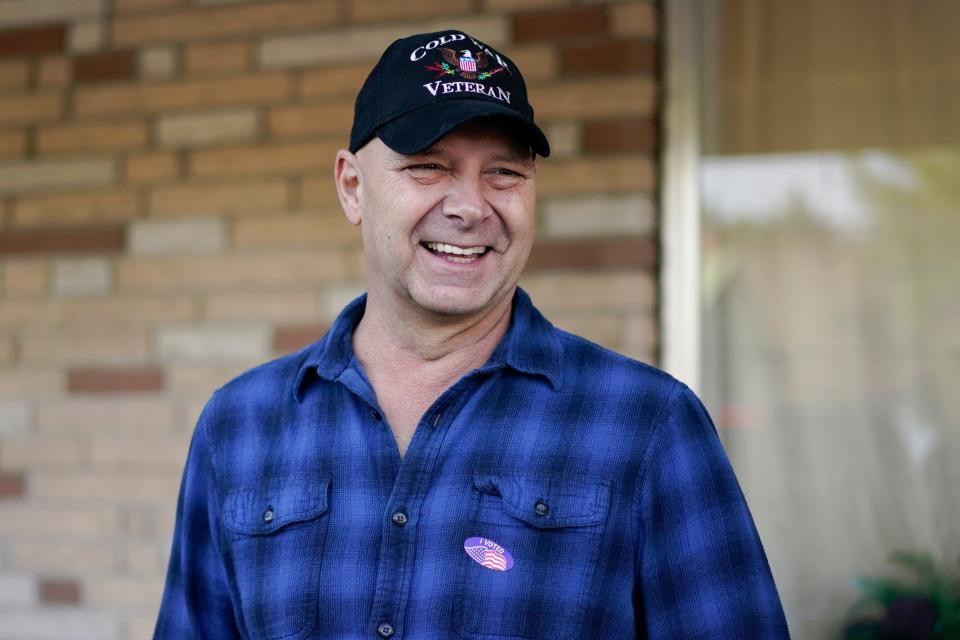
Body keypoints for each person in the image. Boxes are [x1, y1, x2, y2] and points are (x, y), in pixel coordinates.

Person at [154, 30, 790, 639]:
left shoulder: (647, 423)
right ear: (352, 188)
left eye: (505, 174)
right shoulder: (240, 424)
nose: (470, 206)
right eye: (429, 168)